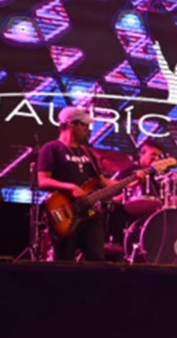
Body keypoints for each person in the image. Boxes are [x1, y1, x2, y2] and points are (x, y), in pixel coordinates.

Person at [37, 106, 141, 262]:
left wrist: (130, 183)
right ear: (71, 124)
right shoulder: (51, 148)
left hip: (89, 212)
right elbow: (43, 181)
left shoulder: (87, 152)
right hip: (65, 212)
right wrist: (71, 187)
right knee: (64, 260)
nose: (87, 128)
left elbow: (101, 181)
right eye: (84, 124)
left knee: (97, 259)